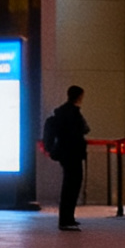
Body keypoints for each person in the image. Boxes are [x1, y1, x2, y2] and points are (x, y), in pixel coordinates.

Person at [42, 85, 90, 230]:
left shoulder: (61, 112)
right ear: (79, 96)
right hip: (73, 153)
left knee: (69, 185)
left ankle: (67, 217)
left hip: (65, 153)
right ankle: (67, 219)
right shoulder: (73, 113)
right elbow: (83, 129)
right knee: (72, 186)